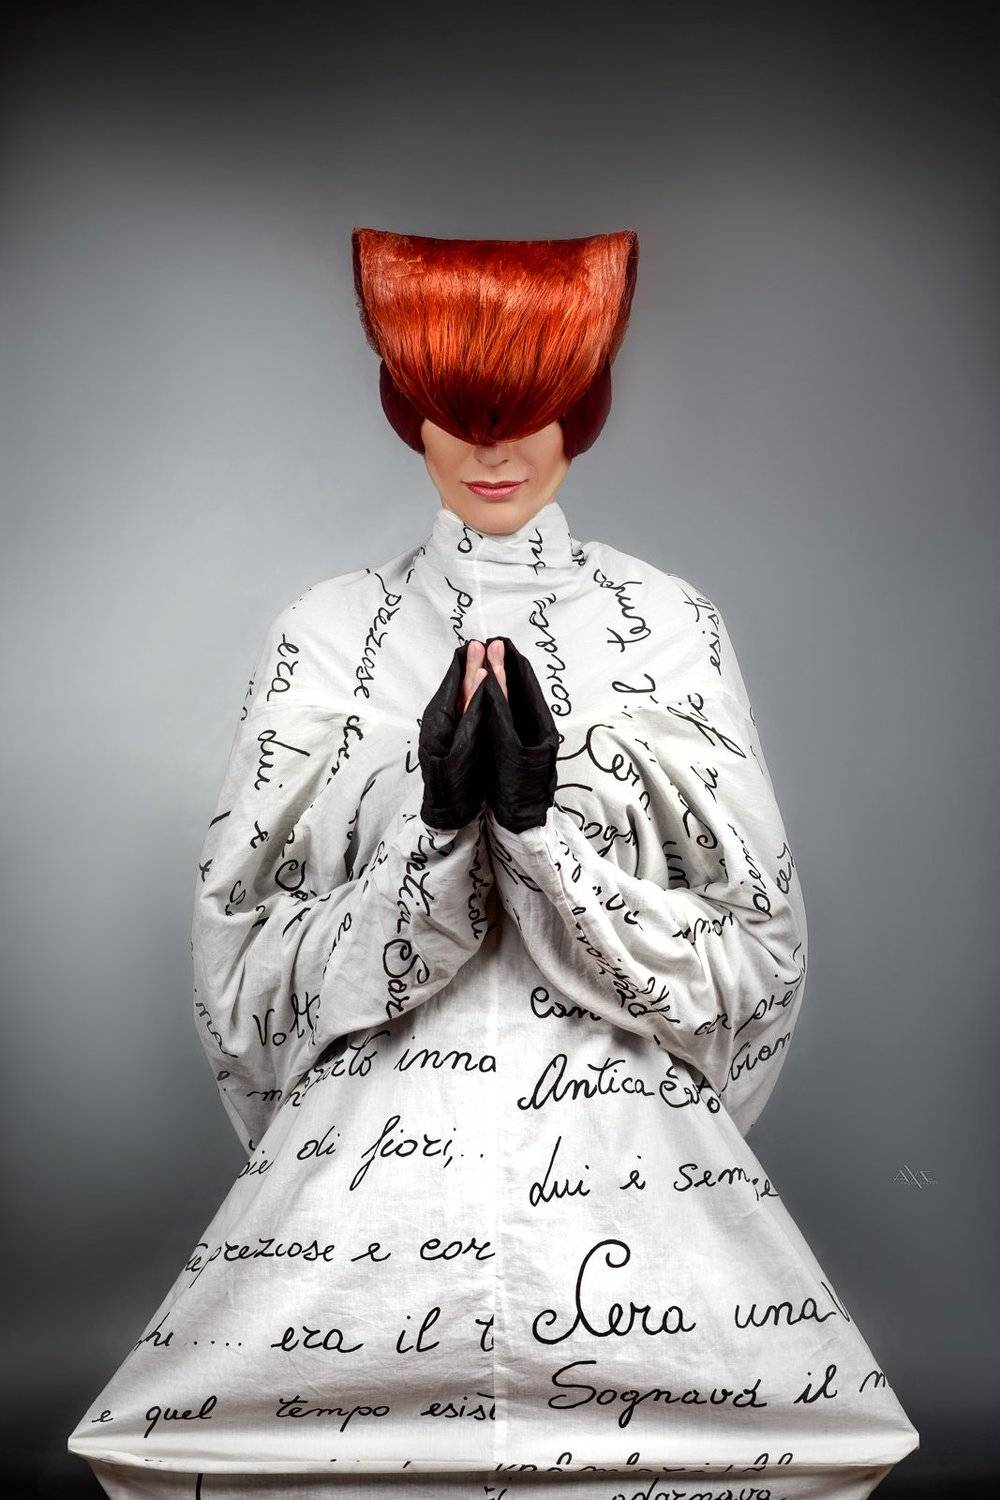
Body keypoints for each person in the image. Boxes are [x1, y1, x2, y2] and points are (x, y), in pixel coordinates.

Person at [67, 228, 919, 1500]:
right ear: (408, 415)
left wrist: (540, 840)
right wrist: (427, 837)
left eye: (533, 410)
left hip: (624, 1174)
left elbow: (755, 948)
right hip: (364, 1204)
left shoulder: (671, 627)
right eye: (458, 414)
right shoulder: (327, 633)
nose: (496, 451)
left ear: (585, 410)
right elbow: (240, 967)